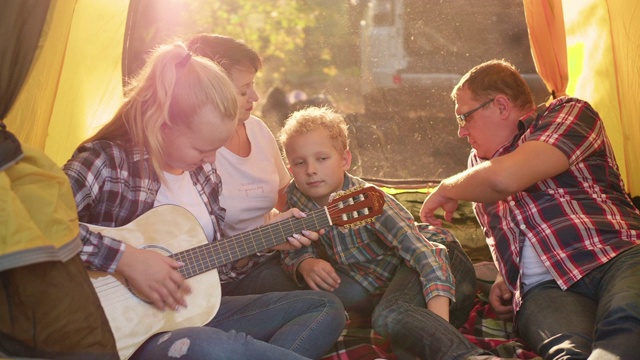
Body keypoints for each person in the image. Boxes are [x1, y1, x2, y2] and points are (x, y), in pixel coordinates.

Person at [62, 41, 345, 360]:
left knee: (325, 307)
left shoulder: (203, 177)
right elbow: (30, 227)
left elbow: (214, 273)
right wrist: (126, 258)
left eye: (217, 148)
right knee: (209, 346)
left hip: (187, 315)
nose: (212, 161)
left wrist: (267, 240)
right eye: (202, 149)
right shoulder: (106, 162)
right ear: (163, 124)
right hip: (115, 333)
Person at [419, 59, 640, 359]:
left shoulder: (569, 113)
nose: (461, 132)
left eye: (464, 118)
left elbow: (506, 178)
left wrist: (446, 188)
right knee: (567, 351)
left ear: (500, 105)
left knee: (626, 323)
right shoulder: (476, 166)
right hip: (545, 289)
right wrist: (503, 275)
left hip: (614, 254)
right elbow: (505, 231)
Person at [277, 106, 487, 359]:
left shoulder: (369, 202)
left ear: (345, 160)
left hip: (438, 263)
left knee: (391, 316)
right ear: (290, 168)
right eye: (300, 163)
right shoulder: (295, 198)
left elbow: (427, 256)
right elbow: (291, 246)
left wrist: (436, 326)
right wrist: (304, 262)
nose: (310, 170)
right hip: (382, 285)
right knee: (397, 336)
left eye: (322, 159)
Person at [186, 34, 301, 296]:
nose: (256, 96)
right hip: (231, 273)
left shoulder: (258, 130)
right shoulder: (195, 154)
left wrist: (304, 251)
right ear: (212, 91)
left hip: (273, 255)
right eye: (243, 90)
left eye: (254, 85)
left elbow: (287, 198)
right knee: (328, 301)